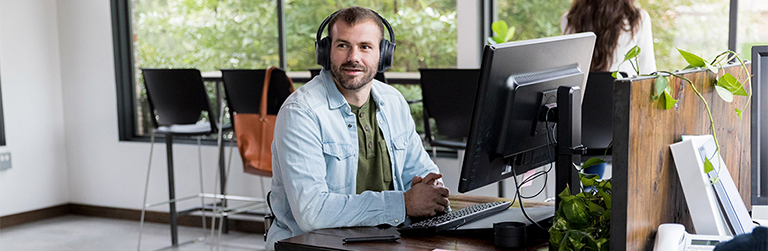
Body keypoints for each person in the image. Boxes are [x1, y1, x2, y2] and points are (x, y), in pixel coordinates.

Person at [265, 6, 449, 250]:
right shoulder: (301, 112)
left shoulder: (393, 101)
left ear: (383, 54)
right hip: (313, 245)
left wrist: (430, 190)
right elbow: (312, 212)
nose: (354, 57)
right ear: (326, 51)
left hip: (387, 241)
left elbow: (422, 170)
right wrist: (403, 203)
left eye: (365, 46)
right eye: (342, 45)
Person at [561, 0, 656, 75]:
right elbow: (648, 72)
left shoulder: (569, 19)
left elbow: (569, 74)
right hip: (623, 97)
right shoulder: (638, 19)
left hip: (583, 98)